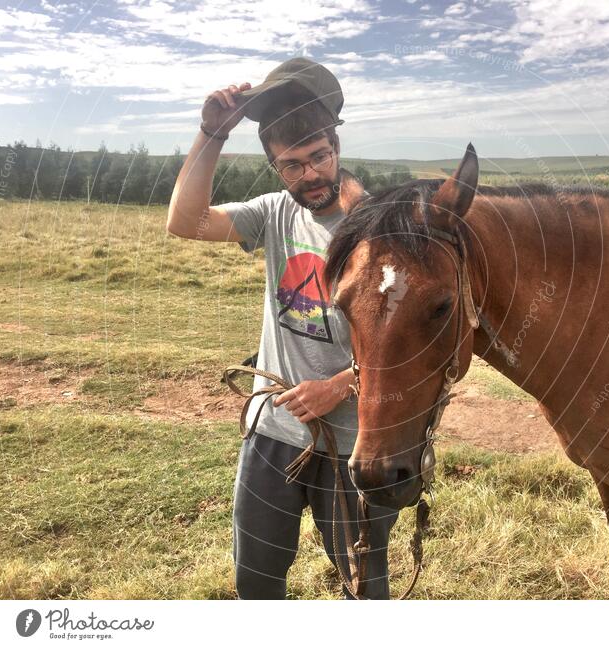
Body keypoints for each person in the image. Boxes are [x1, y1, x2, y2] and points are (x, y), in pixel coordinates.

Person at [166, 57, 398, 600]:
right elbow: (184, 221)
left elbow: (406, 347)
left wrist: (338, 385)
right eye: (292, 165)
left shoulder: (379, 226)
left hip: (350, 442)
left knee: (365, 588)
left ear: (336, 149)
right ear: (275, 168)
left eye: (318, 157)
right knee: (257, 581)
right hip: (270, 432)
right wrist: (210, 134)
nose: (310, 174)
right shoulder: (273, 215)